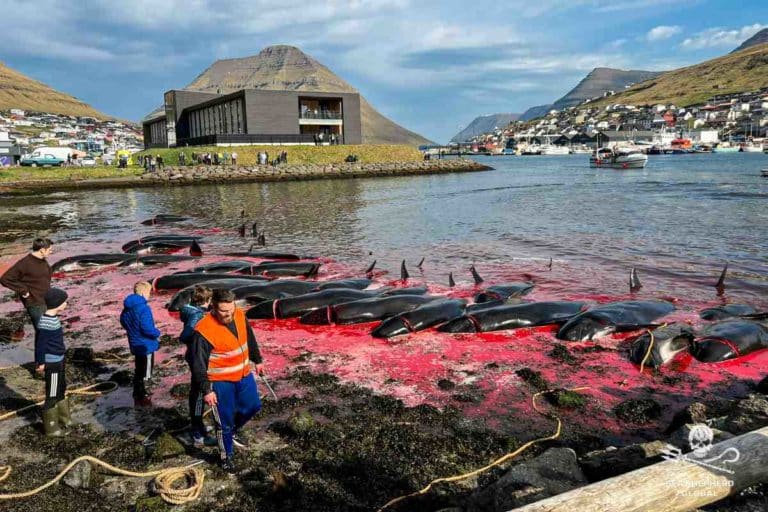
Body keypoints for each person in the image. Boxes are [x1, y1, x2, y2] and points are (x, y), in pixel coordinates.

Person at [190, 289, 264, 472]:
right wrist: (207, 390)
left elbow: (249, 337)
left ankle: (232, 432)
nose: (228, 314)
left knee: (253, 406)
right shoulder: (203, 330)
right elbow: (198, 364)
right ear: (213, 307)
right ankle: (226, 456)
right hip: (220, 381)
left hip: (243, 373)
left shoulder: (239, 314)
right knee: (223, 422)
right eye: (224, 311)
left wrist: (258, 359)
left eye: (231, 309)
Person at [179, 286, 215, 446]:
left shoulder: (189, 311)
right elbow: (185, 335)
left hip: (194, 355)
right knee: (199, 391)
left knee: (197, 390)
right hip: (198, 357)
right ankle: (196, 430)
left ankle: (198, 424)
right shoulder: (198, 315)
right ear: (207, 301)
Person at [36, 287, 71, 436]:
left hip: (60, 359)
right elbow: (40, 345)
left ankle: (65, 418)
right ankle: (51, 427)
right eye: (65, 302)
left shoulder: (54, 319)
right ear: (57, 304)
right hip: (52, 363)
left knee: (61, 388)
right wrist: (40, 362)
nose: (66, 304)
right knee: (52, 393)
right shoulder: (45, 323)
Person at [1, 238, 54, 336]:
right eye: (50, 249)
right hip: (34, 302)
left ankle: (45, 350)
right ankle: (42, 351)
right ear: (42, 250)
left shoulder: (42, 261)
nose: (51, 251)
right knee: (42, 333)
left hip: (45, 300)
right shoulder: (25, 263)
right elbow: (5, 279)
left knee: (47, 331)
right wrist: (23, 290)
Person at [120, 281, 161, 407]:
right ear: (143, 293)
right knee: (146, 371)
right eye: (149, 293)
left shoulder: (127, 308)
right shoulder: (144, 308)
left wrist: (133, 330)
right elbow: (147, 328)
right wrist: (156, 332)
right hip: (146, 345)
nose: (149, 296)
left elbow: (123, 321)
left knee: (139, 368)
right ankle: (143, 394)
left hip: (134, 342)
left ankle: (137, 392)